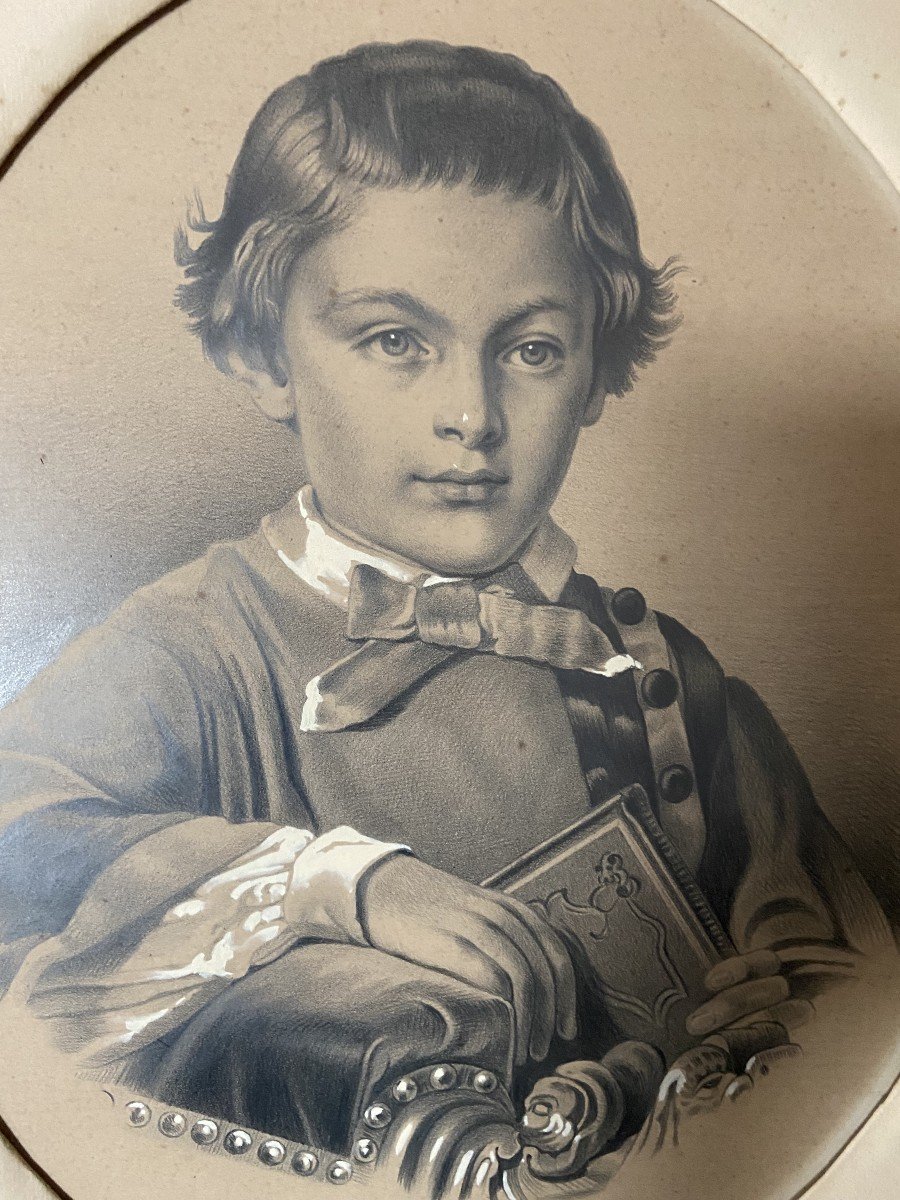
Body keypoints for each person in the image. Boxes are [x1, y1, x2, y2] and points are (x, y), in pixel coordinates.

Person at [0, 40, 892, 1176]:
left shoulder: (656, 677)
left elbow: (849, 1001)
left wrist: (771, 1035)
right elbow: (18, 855)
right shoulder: (196, 651)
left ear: (596, 368)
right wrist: (344, 885)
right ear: (266, 353)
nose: (470, 415)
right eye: (395, 342)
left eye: (528, 348)